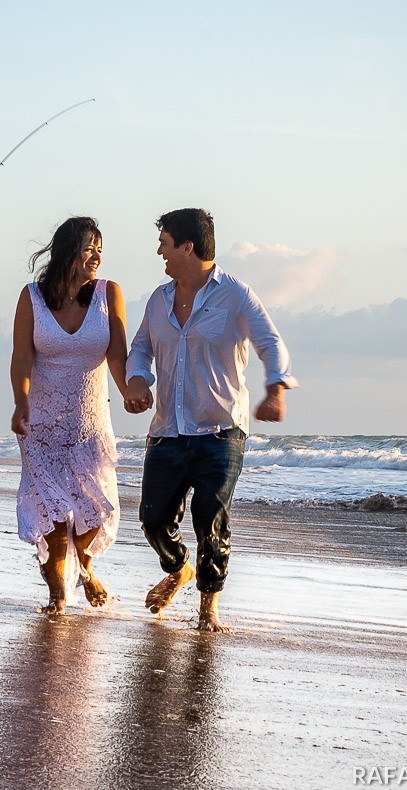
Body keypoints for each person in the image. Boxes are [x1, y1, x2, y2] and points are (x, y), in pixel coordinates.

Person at [125, 208, 298, 632]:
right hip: (167, 430)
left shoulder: (235, 295)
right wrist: (136, 381)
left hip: (220, 432)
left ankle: (208, 608)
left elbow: (270, 342)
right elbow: (141, 347)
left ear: (187, 247)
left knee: (209, 515)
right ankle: (179, 568)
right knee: (152, 519)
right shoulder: (158, 299)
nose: (159, 252)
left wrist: (275, 389)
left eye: (164, 243)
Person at [10, 217, 130, 614]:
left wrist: (129, 389)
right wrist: (20, 401)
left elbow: (116, 354)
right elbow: (22, 357)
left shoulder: (108, 294)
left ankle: (87, 569)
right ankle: (57, 595)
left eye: (100, 248)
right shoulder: (31, 298)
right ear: (68, 251)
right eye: (88, 247)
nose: (96, 255)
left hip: (90, 424)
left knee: (93, 510)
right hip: (40, 424)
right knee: (54, 521)